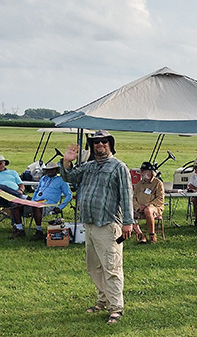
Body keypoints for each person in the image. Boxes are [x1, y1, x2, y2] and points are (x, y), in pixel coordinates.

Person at [60, 130, 133, 325]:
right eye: (95, 142)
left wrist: (128, 222)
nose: (99, 144)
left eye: (103, 141)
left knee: (112, 267)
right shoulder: (89, 166)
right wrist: (67, 161)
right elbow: (69, 177)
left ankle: (116, 308)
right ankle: (103, 301)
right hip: (90, 224)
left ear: (110, 144)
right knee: (93, 267)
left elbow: (126, 195)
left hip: (108, 225)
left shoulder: (119, 167)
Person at [15, 162, 72, 241]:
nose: (50, 171)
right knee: (16, 204)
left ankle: (39, 231)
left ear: (56, 170)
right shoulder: (43, 178)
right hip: (36, 201)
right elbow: (36, 191)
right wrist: (32, 201)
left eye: (52, 170)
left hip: (48, 204)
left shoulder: (62, 180)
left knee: (37, 207)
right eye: (48, 170)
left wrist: (60, 207)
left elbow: (69, 195)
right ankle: (19, 229)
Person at [0, 155, 28, 238]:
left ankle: (18, 228)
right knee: (1, 187)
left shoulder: (13, 173)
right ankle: (23, 197)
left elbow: (21, 185)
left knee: (14, 203)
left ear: (4, 164)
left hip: (12, 197)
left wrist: (21, 190)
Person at [133, 161, 165, 243]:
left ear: (149, 172)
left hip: (154, 207)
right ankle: (141, 235)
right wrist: (137, 207)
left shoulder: (158, 183)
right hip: (139, 208)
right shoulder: (139, 184)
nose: (141, 173)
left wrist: (147, 206)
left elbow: (160, 199)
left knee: (148, 210)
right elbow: (134, 198)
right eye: (141, 171)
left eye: (143, 171)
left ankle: (152, 235)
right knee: (127, 213)